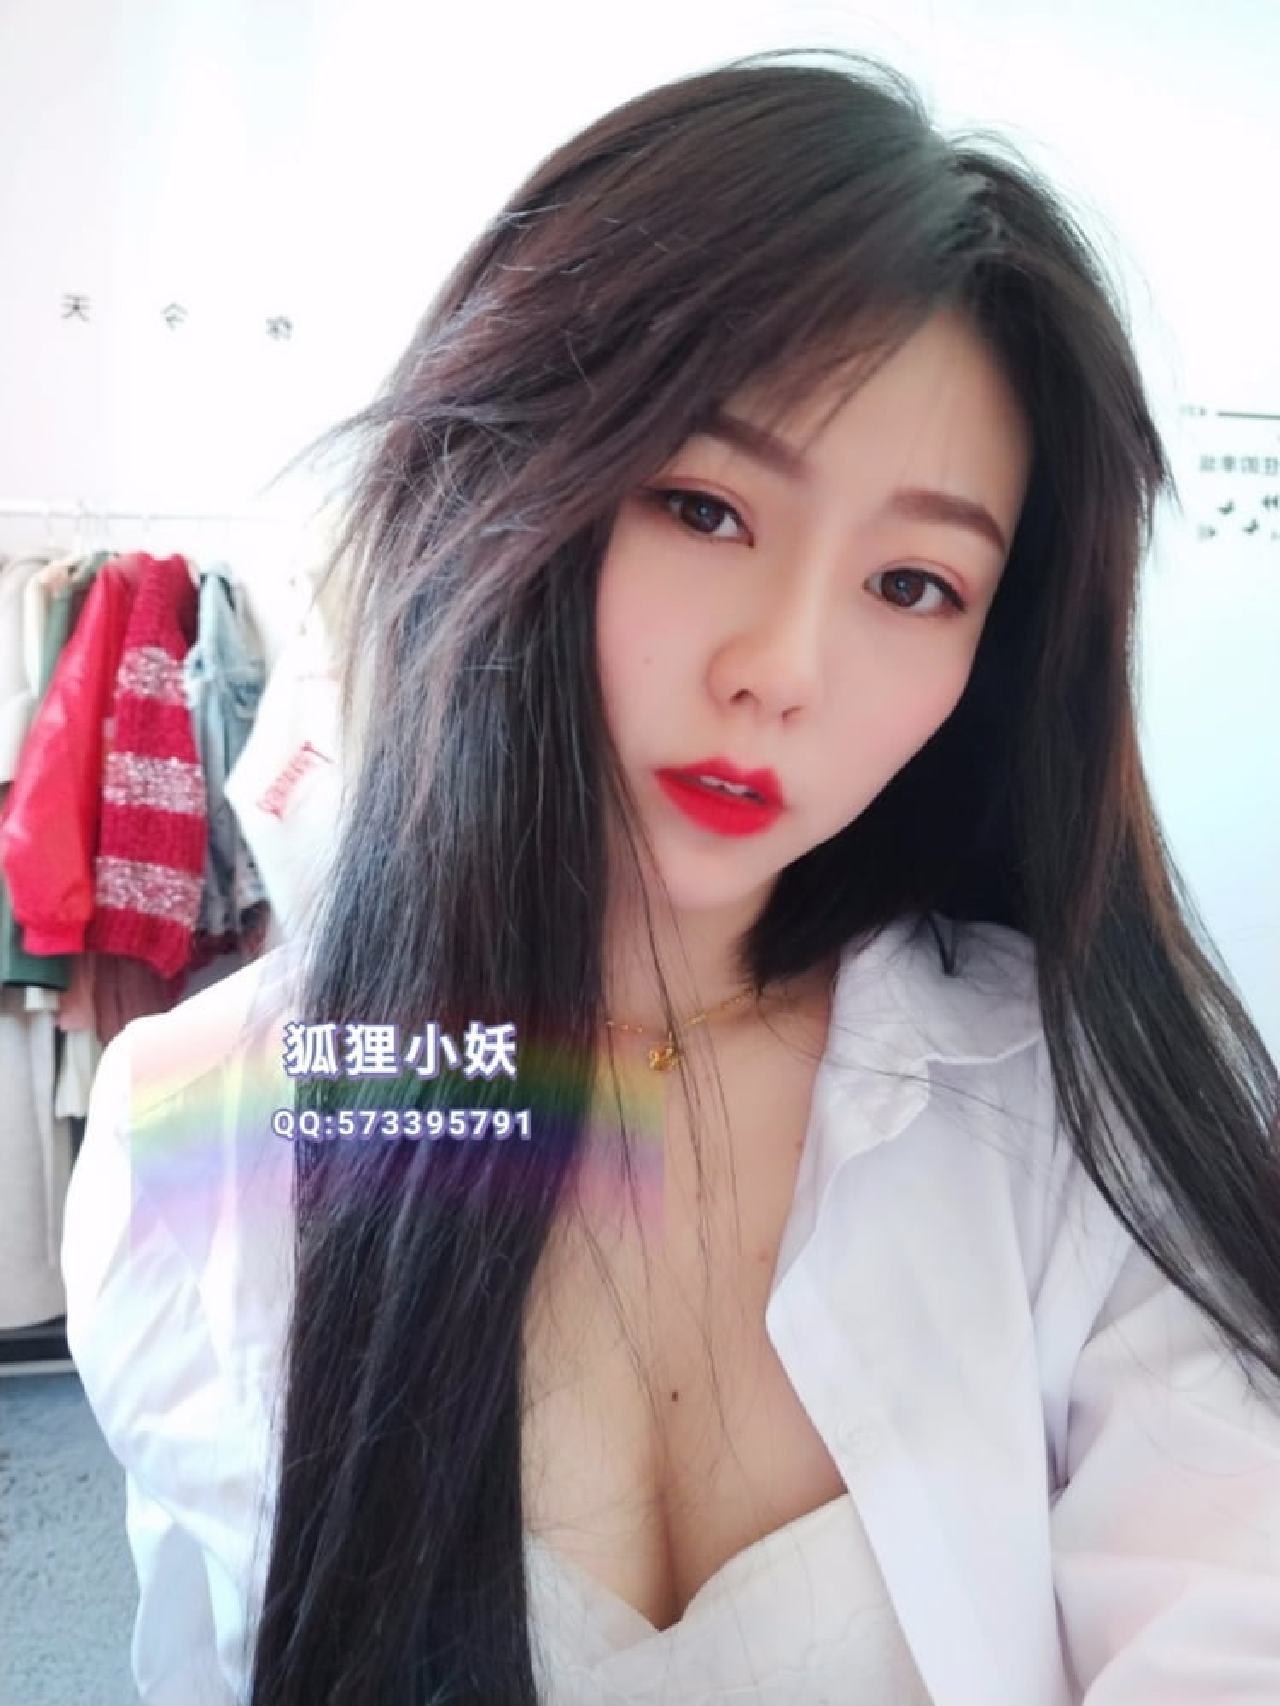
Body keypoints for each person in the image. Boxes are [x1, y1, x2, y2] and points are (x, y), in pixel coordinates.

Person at [62, 44, 1280, 1706]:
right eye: (705, 507)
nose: (782, 667)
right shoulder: (201, 1125)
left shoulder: (1077, 1105)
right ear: (507, 481)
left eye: (913, 584)